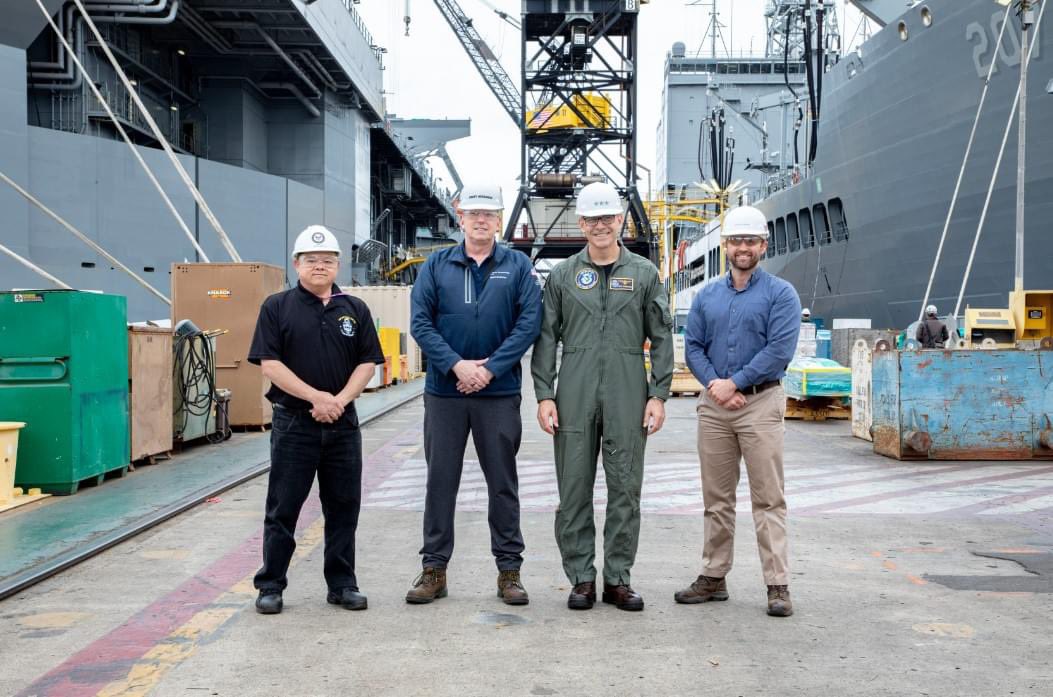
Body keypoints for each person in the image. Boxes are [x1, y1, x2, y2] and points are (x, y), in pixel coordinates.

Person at [531, 181, 674, 612]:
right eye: (592, 219)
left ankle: (617, 579)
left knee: (625, 489)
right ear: (581, 223)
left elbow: (662, 336)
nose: (600, 226)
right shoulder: (562, 275)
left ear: (620, 220)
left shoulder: (645, 274)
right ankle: (581, 579)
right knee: (573, 489)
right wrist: (544, 393)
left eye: (607, 218)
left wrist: (659, 393)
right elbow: (545, 337)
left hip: (629, 388)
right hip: (573, 388)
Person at [406, 183, 542, 605]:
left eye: (489, 213)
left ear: (499, 220)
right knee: (440, 482)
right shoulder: (436, 266)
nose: (481, 220)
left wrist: (490, 369)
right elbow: (421, 323)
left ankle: (509, 572)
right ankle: (434, 570)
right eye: (473, 213)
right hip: (445, 394)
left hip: (498, 393)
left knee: (502, 483)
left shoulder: (517, 266)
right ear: (459, 217)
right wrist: (457, 366)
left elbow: (528, 324)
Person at [248, 224, 386, 615]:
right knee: (283, 507)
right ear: (297, 264)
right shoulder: (277, 306)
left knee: (343, 506)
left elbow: (368, 363)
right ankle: (270, 585)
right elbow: (269, 364)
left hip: (342, 424)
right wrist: (316, 398)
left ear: (338, 264)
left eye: (327, 260)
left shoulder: (355, 309)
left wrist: (339, 401)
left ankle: (342, 584)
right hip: (295, 424)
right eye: (312, 260)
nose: (320, 266)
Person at [675, 205, 801, 618]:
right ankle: (714, 575)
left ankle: (777, 584)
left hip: (760, 403)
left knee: (768, 498)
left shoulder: (781, 294)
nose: (743, 248)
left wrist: (736, 382)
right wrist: (715, 384)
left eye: (750, 241)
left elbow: (779, 350)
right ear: (725, 246)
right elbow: (692, 346)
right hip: (715, 405)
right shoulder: (706, 295)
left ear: (763, 245)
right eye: (736, 241)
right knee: (717, 498)